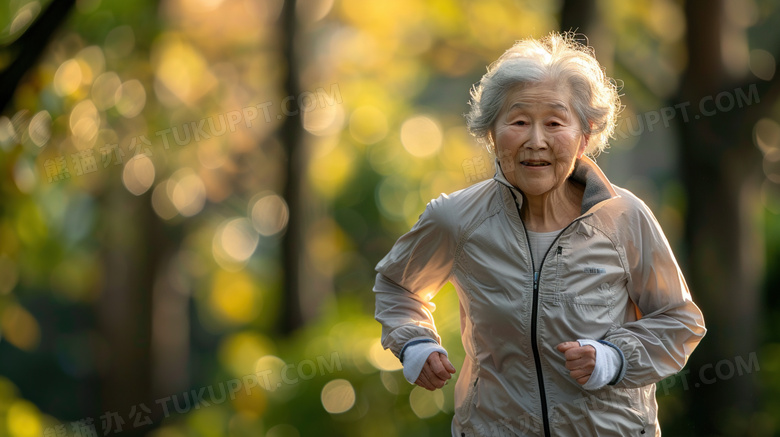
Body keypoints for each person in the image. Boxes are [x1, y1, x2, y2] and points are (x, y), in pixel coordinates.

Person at [373, 32, 706, 436]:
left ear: (585, 135)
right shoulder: (456, 219)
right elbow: (398, 286)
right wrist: (415, 344)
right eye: (518, 122)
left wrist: (613, 357)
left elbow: (678, 321)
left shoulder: (625, 218)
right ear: (492, 134)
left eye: (554, 122)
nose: (536, 141)